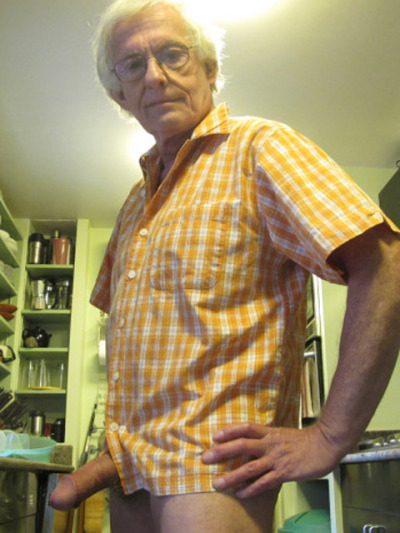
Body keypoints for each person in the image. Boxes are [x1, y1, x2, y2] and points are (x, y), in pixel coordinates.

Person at [49, 0, 400, 531]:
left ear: (209, 69)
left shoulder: (261, 147)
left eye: (173, 54)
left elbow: (385, 261)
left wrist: (331, 434)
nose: (155, 76)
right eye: (133, 65)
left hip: (212, 466)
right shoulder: (132, 204)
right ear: (119, 94)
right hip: (128, 472)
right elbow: (130, 338)